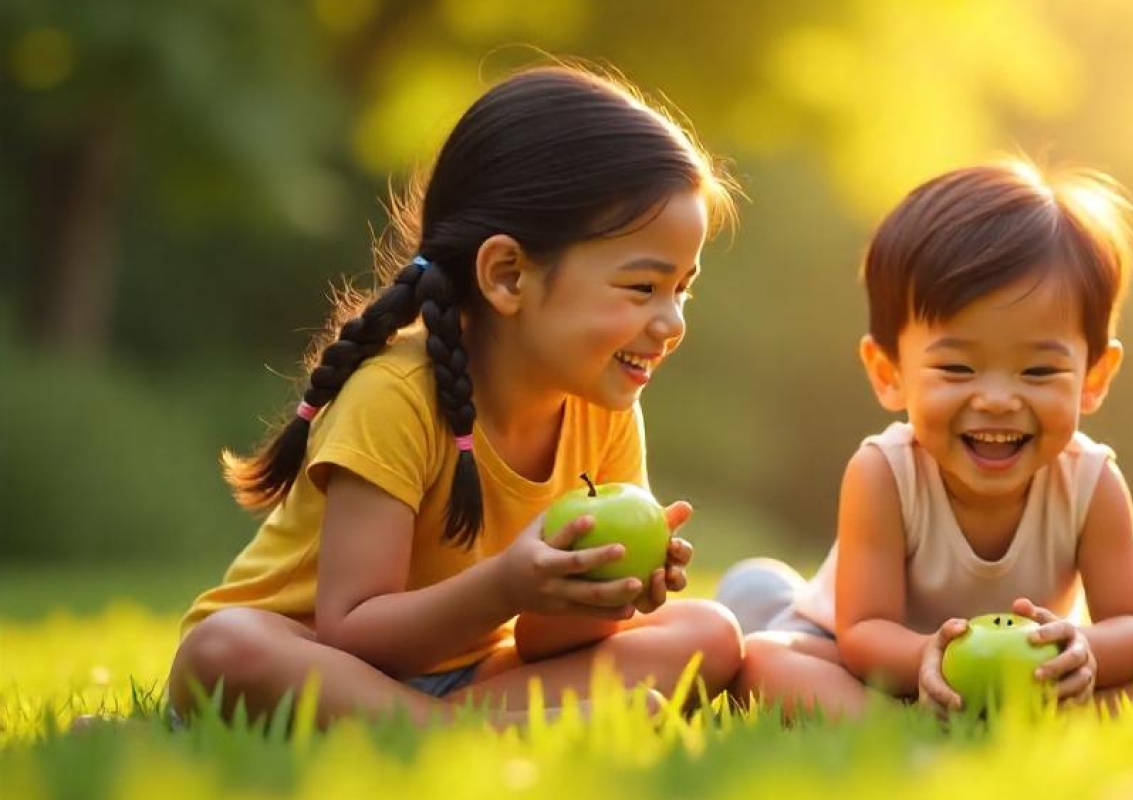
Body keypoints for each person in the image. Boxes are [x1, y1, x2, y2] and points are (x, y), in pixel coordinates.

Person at [168, 66, 743, 728]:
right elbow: (354, 634)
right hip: (315, 669)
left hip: (465, 674)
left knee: (711, 633)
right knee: (224, 647)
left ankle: (469, 727)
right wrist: (506, 585)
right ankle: (473, 733)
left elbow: (537, 640)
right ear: (507, 275)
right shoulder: (394, 396)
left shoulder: (604, 408)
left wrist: (602, 594)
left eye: (683, 290)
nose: (672, 323)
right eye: (643, 288)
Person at [719, 160, 1133, 718]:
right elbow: (863, 632)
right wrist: (927, 662)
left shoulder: (1091, 482)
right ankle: (902, 723)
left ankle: (985, 718)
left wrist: (1084, 649)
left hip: (1014, 668)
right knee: (765, 662)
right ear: (889, 371)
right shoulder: (884, 472)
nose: (996, 399)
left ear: (1094, 377)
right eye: (958, 369)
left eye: (1038, 372)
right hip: (855, 658)